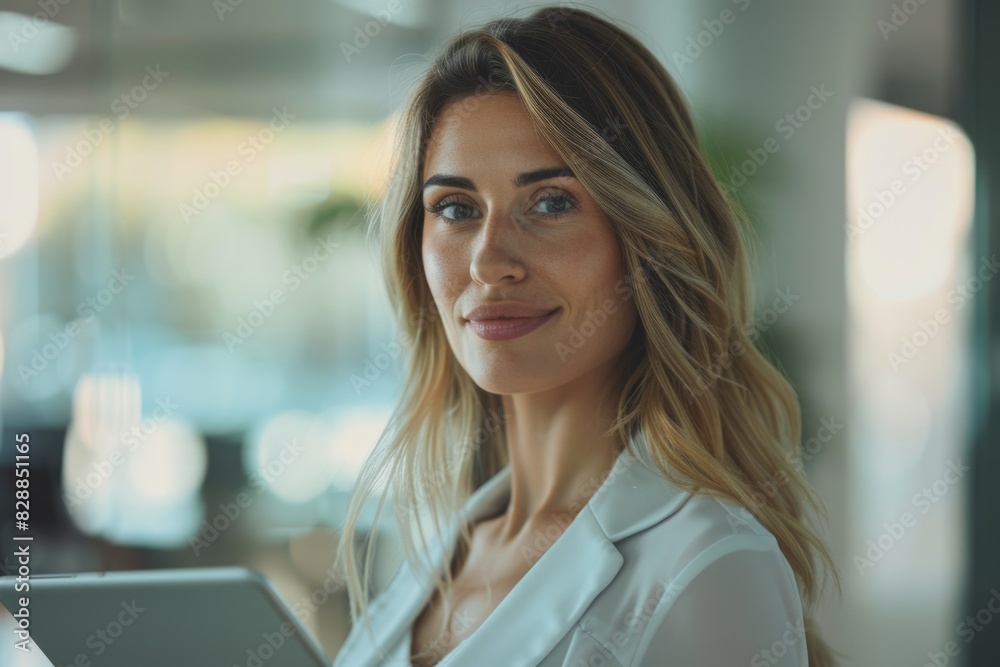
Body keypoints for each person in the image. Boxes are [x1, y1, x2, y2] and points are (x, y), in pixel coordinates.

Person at [332, 5, 842, 666]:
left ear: (646, 240)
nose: (489, 261)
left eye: (551, 202)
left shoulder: (706, 569)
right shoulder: (441, 555)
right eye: (456, 208)